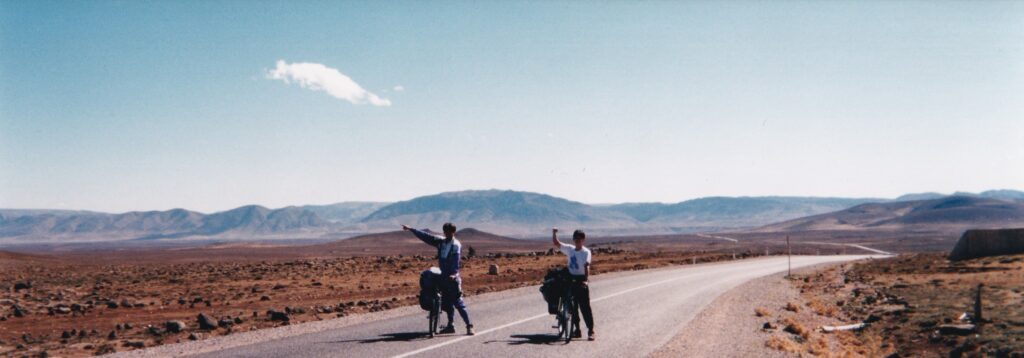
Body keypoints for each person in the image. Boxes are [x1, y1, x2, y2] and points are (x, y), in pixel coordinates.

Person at [403, 223, 474, 335]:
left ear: (453, 232)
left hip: (452, 277)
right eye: (445, 232)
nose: (446, 234)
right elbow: (427, 237)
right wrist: (412, 229)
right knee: (445, 301)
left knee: (457, 302)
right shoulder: (441, 242)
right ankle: (450, 325)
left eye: (448, 232)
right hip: (443, 275)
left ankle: (469, 325)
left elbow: (455, 262)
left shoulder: (455, 245)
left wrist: (454, 274)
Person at [552, 228, 595, 341]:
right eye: (576, 239)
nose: (577, 241)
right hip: (571, 278)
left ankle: (591, 331)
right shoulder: (570, 249)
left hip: (581, 279)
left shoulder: (586, 252)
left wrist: (586, 280)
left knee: (584, 307)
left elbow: (587, 266)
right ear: (573, 239)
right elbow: (557, 243)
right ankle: (577, 330)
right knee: (573, 307)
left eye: (580, 239)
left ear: (583, 240)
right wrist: (554, 233)